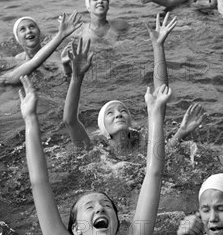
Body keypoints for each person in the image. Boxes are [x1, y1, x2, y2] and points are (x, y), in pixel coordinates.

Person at [19, 74, 171, 235]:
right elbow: (38, 183)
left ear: (118, 223)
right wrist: (30, 119)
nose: (100, 209)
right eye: (89, 207)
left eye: (106, 205)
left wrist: (155, 114)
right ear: (76, 229)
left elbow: (154, 174)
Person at [62, 13, 203, 152]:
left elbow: (160, 100)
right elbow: (70, 121)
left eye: (123, 111)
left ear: (130, 122)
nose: (118, 114)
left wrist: (158, 47)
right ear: (103, 127)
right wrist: (76, 77)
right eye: (110, 113)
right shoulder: (96, 151)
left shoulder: (142, 144)